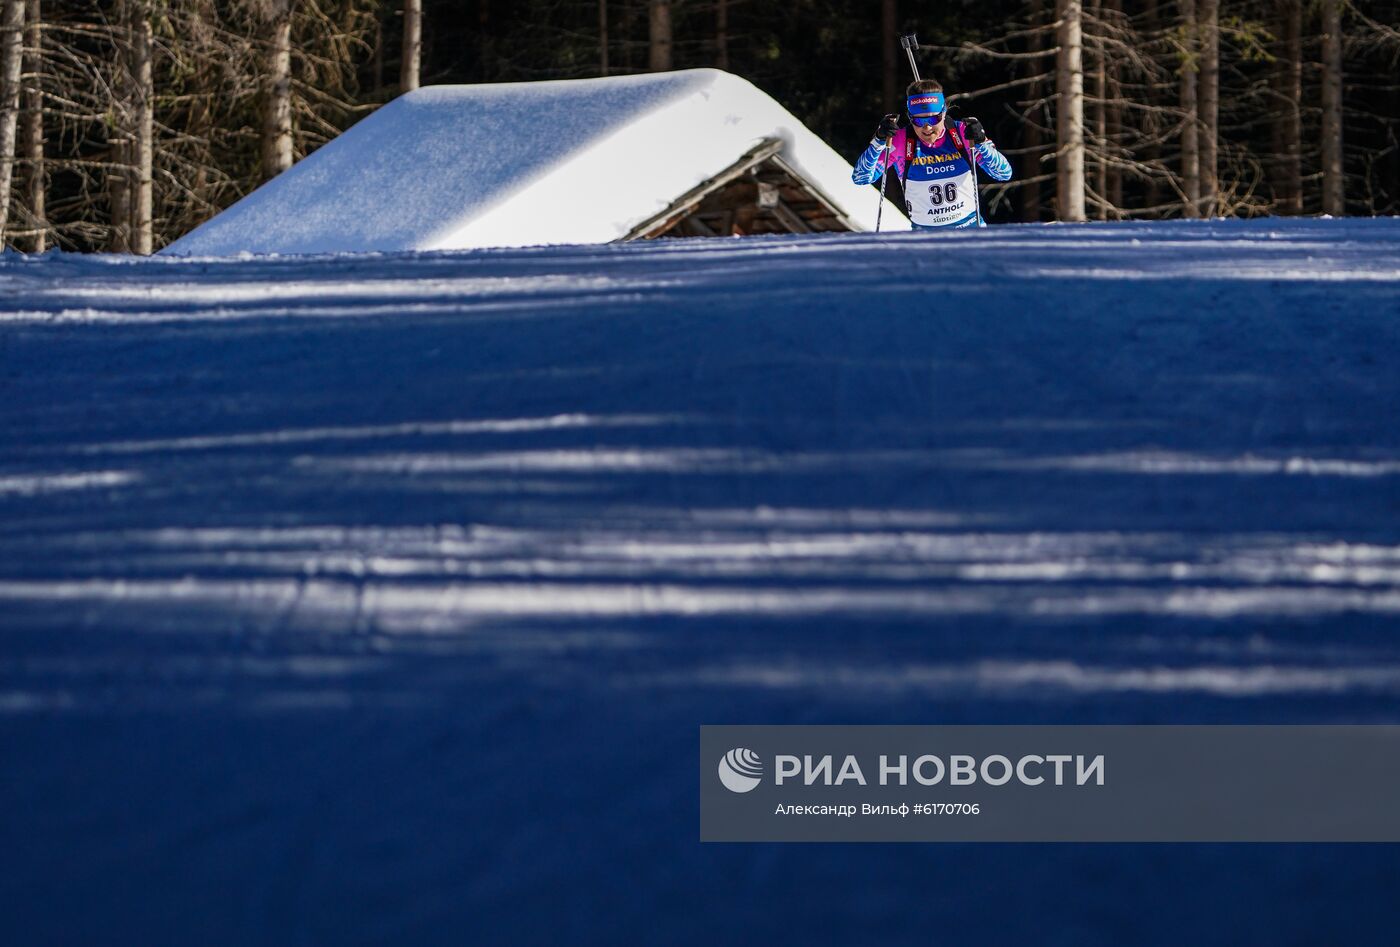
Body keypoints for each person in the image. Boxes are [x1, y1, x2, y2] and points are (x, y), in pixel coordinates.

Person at [853, 79, 1013, 229]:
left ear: (944, 113)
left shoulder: (963, 133)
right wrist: (878, 141)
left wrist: (982, 142)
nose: (927, 128)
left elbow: (1003, 174)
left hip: (970, 229)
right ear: (910, 117)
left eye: (934, 119)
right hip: (926, 237)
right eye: (919, 121)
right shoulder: (900, 140)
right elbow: (861, 178)